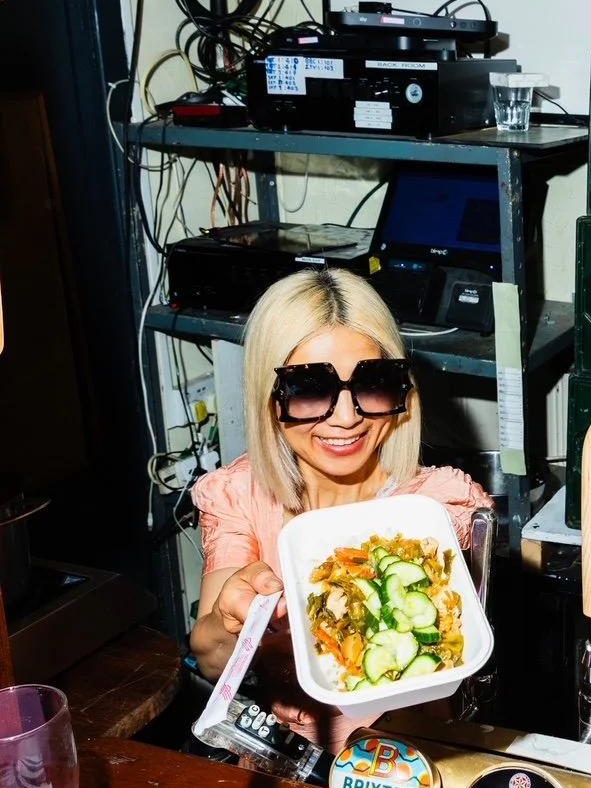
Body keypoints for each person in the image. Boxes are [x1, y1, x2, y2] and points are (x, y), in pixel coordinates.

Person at [190, 266, 490, 747]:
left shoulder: (438, 511)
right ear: (269, 401)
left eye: (373, 383)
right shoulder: (241, 495)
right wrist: (232, 618)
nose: (347, 419)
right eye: (310, 390)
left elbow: (456, 684)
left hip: (408, 772)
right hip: (285, 773)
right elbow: (208, 658)